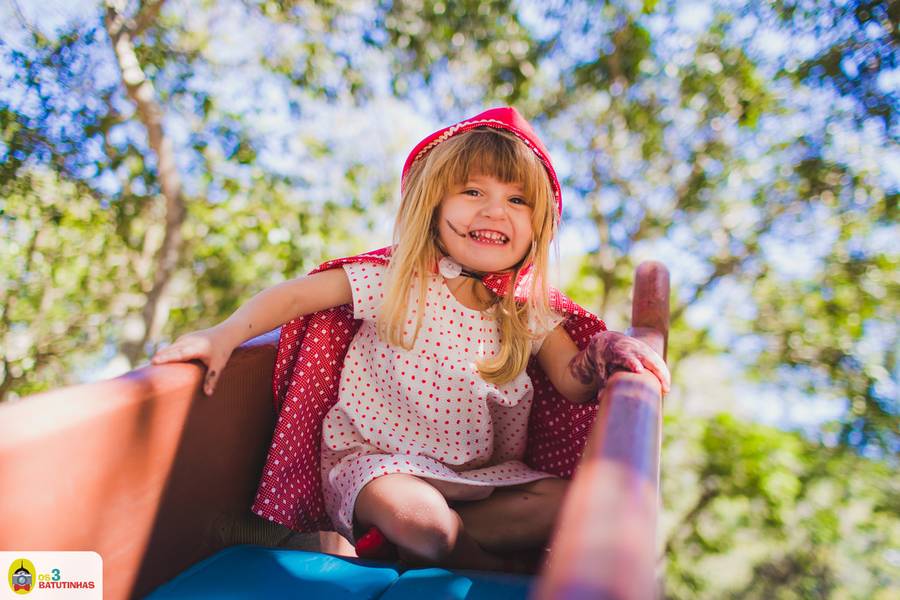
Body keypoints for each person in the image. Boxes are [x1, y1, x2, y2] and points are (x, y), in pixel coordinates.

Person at [151, 107, 670, 573]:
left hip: (484, 481)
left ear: (538, 227)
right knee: (425, 520)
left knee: (577, 504)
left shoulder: (524, 311)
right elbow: (294, 297)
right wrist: (222, 335)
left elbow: (573, 382)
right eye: (473, 192)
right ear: (433, 204)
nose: (495, 211)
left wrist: (603, 352)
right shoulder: (395, 279)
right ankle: (475, 562)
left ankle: (417, 547)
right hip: (380, 469)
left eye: (517, 200)